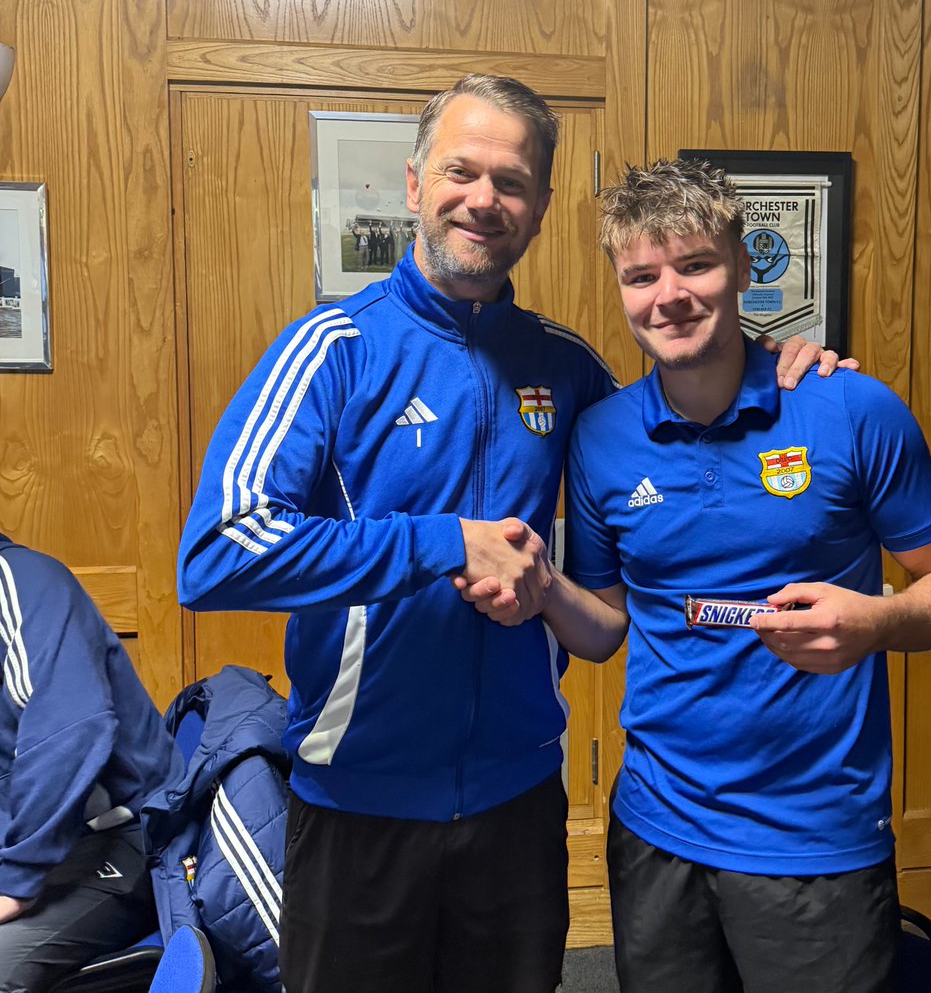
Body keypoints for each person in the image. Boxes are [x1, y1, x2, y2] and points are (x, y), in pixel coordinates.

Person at [177, 76, 846, 993]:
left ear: (538, 211)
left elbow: (684, 432)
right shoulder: (331, 349)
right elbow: (216, 550)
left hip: (521, 801)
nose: (484, 199)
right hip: (359, 801)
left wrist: (786, 360)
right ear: (416, 185)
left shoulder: (568, 367)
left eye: (513, 182)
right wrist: (443, 543)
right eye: (462, 171)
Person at [463, 159, 931, 992]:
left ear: (744, 267)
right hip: (656, 829)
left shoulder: (849, 407)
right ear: (623, 288)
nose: (668, 294)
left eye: (696, 264)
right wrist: (541, 589)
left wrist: (879, 623)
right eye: (642, 275)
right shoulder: (600, 437)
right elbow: (605, 629)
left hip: (815, 834)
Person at [0, 533, 182, 993]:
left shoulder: (24, 583)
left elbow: (71, 731)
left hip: (124, 838)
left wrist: (14, 880)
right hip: (32, 842)